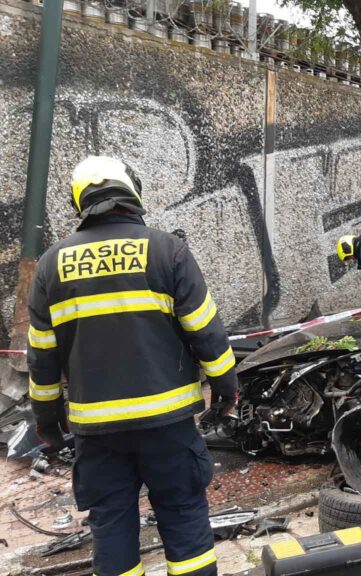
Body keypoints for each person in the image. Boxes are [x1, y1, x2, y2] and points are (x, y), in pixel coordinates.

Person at [28, 156, 236, 576]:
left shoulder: (50, 265)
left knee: (112, 527)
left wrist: (48, 421)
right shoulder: (167, 250)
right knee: (183, 517)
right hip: (168, 425)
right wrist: (226, 391)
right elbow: (207, 334)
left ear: (78, 201)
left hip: (97, 433)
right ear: (132, 191)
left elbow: (42, 359)